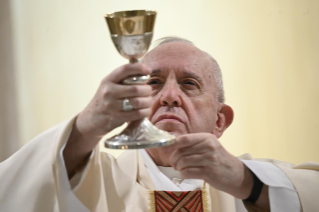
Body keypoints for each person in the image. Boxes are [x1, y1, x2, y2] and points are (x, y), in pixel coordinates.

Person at [0, 37, 318, 212]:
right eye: (153, 82)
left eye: (189, 83)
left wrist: (244, 180)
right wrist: (87, 125)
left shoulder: (252, 184)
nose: (169, 96)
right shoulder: (92, 181)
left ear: (220, 120)